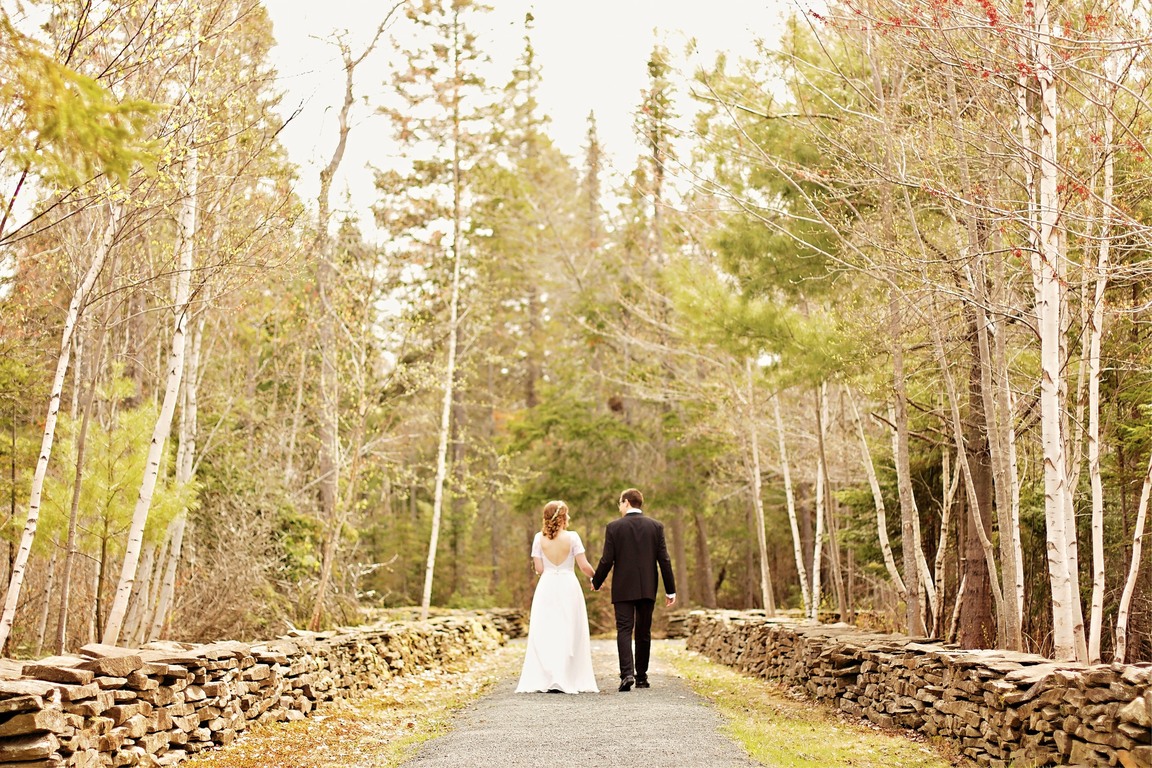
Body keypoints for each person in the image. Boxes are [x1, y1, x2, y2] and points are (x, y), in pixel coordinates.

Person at [591, 488, 676, 692]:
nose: (619, 507)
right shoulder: (656, 527)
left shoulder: (614, 527)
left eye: (620, 503)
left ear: (627, 502)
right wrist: (670, 590)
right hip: (648, 587)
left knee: (624, 629)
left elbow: (607, 559)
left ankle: (626, 674)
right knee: (643, 631)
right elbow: (663, 560)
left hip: (622, 588)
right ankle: (642, 677)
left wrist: (596, 580)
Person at [515, 500, 599, 694]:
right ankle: (568, 675)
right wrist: (596, 577)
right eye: (567, 514)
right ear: (561, 517)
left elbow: (539, 568)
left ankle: (548, 676)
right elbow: (584, 566)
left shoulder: (538, 538)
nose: (569, 517)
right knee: (569, 629)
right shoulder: (573, 537)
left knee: (547, 630)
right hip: (568, 586)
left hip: (547, 586)